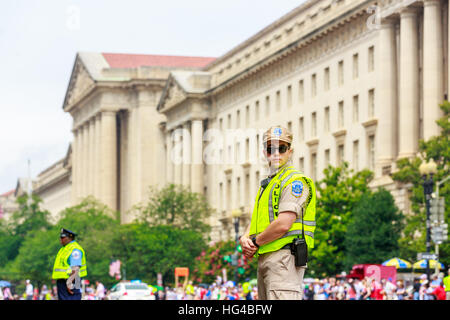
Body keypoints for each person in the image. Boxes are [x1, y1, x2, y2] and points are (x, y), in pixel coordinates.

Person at [239, 125, 316, 300]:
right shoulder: (269, 183)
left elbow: (283, 224)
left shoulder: (294, 181)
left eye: (281, 148)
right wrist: (245, 237)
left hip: (284, 259)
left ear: (290, 151)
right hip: (268, 257)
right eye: (270, 148)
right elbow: (258, 220)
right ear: (264, 152)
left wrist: (254, 242)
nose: (275, 153)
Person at [51, 228, 87, 300]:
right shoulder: (64, 248)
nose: (61, 239)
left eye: (63, 237)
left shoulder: (75, 249)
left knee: (73, 298)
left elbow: (76, 267)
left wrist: (69, 282)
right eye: (60, 237)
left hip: (73, 279)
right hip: (64, 280)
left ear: (70, 238)